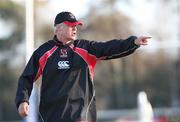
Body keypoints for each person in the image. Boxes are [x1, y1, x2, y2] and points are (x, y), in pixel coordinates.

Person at [15, 11, 151, 122]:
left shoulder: (85, 48)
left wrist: (133, 42)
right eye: (70, 25)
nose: (75, 28)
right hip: (51, 116)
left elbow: (109, 47)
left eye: (76, 25)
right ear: (58, 28)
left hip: (81, 116)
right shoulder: (43, 52)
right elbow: (27, 77)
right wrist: (22, 100)